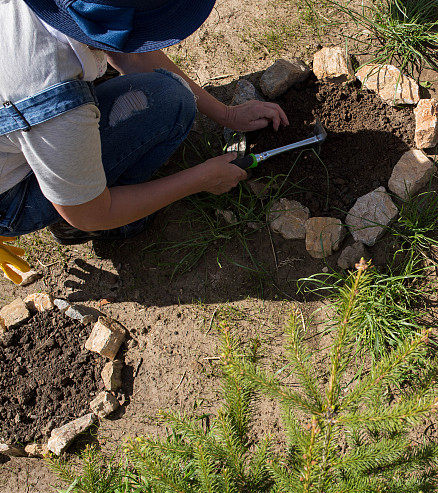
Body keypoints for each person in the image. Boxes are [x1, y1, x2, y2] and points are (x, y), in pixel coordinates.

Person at [0, 0, 288, 282]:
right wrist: (201, 179)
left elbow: (131, 53)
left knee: (161, 96)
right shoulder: (57, 105)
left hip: (24, 122)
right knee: (170, 102)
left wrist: (227, 114)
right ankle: (78, 223)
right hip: (12, 198)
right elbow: (89, 212)